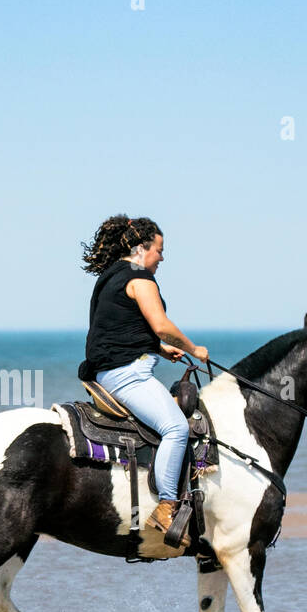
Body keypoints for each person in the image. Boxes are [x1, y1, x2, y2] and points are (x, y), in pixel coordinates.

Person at [77, 215, 210, 533]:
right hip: (126, 375)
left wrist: (160, 349)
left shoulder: (112, 276)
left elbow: (119, 327)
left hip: (111, 370)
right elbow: (162, 325)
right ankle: (166, 507)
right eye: (159, 250)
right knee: (176, 428)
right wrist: (194, 348)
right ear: (140, 248)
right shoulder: (140, 279)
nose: (161, 258)